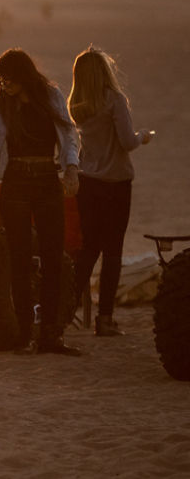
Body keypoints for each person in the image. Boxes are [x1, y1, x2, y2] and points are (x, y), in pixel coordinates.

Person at [0, 48, 81, 355]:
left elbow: (68, 134)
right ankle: (23, 335)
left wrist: (72, 168)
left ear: (24, 76)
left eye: (8, 78)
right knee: (19, 261)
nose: (3, 84)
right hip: (16, 184)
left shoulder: (51, 98)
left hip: (48, 180)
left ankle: (50, 335)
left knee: (52, 258)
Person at [68, 48, 154, 337]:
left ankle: (64, 313)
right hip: (115, 183)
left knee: (88, 249)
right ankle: (105, 319)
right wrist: (144, 136)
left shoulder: (77, 105)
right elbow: (127, 142)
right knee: (112, 252)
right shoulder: (114, 100)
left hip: (87, 182)